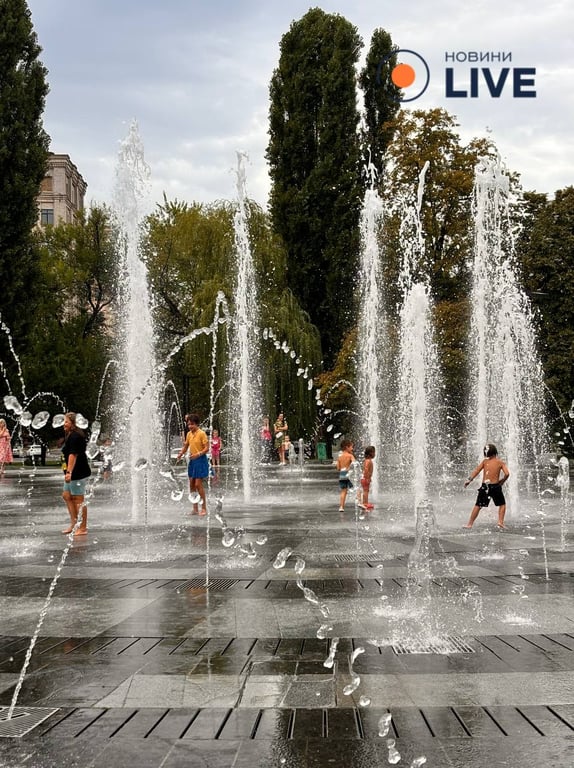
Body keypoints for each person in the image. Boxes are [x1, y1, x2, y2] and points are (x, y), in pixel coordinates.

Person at [464, 443, 510, 529]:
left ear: (486, 453)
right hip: (495, 486)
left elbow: (476, 471)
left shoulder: (485, 462)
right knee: (502, 504)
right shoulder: (500, 462)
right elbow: (507, 474)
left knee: (478, 505)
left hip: (485, 486)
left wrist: (469, 480)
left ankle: (469, 524)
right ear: (495, 452)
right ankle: (500, 522)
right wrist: (502, 481)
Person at [61, 412, 91, 535]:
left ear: (73, 423)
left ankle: (82, 527)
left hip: (77, 472)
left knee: (78, 499)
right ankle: (74, 524)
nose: (64, 424)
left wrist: (69, 472)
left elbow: (73, 455)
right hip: (72, 472)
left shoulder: (75, 436)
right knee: (67, 495)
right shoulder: (70, 435)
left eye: (66, 421)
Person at [176, 413, 209, 516]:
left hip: (200, 460)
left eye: (192, 424)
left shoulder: (201, 433)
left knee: (198, 484)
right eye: (188, 424)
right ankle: (195, 508)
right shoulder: (189, 434)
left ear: (197, 424)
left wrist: (198, 454)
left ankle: (203, 508)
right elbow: (186, 446)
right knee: (191, 485)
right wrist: (181, 453)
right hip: (193, 461)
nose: (190, 426)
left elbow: (207, 448)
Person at [336, 438, 356, 512]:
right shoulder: (350, 456)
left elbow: (338, 468)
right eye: (351, 447)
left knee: (343, 491)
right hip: (349, 474)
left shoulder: (340, 457)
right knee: (357, 488)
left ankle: (341, 507)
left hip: (342, 474)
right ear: (347, 447)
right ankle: (360, 503)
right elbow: (354, 464)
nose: (352, 448)